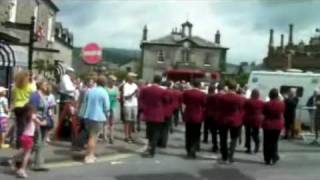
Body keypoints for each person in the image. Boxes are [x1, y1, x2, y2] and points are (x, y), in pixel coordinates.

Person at [9, 104, 47, 178]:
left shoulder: (26, 116)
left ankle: (12, 159)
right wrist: (45, 122)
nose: (34, 110)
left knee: (23, 150)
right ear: (30, 111)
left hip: (24, 136)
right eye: (33, 109)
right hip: (28, 137)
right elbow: (41, 123)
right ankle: (22, 170)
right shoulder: (33, 116)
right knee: (27, 154)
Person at [81, 75, 110, 163]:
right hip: (98, 117)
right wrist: (107, 116)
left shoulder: (90, 91)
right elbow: (107, 107)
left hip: (87, 116)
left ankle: (90, 154)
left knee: (90, 136)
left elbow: (84, 102)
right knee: (93, 137)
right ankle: (89, 156)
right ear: (104, 83)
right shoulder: (104, 92)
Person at [139, 75, 168, 157]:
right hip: (158, 114)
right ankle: (152, 150)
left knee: (149, 132)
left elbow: (141, 99)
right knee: (156, 133)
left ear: (153, 80)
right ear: (160, 81)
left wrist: (143, 108)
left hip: (148, 113)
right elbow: (166, 101)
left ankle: (149, 147)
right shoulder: (162, 91)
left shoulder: (145, 89)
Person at [219, 81, 244, 163]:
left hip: (224, 119)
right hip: (234, 120)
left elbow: (219, 108)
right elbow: (241, 109)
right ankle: (230, 156)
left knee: (223, 139)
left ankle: (224, 156)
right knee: (233, 139)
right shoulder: (239, 98)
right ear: (235, 88)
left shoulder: (222, 97)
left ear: (227, 87)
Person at [29, 80, 51, 171]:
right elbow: (32, 111)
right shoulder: (35, 96)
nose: (47, 85)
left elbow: (45, 110)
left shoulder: (44, 96)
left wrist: (46, 120)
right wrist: (38, 122)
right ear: (39, 85)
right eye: (45, 84)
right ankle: (16, 159)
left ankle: (38, 164)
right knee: (37, 144)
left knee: (41, 143)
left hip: (43, 122)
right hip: (36, 122)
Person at [182, 80, 206, 158]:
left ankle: (188, 149)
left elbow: (184, 102)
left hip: (188, 114)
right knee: (196, 134)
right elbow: (204, 104)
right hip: (198, 115)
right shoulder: (202, 94)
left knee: (188, 133)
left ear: (192, 85)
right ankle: (193, 150)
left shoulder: (186, 93)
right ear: (199, 85)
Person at [11, 71, 35, 149]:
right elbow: (33, 94)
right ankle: (26, 143)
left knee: (19, 126)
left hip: (17, 107)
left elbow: (13, 98)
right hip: (26, 106)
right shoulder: (29, 86)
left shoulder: (14, 87)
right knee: (28, 125)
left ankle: (18, 143)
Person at [262, 88, 285, 165]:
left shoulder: (266, 104)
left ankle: (267, 158)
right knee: (274, 142)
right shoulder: (282, 104)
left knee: (266, 142)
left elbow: (264, 113)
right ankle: (274, 157)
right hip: (277, 124)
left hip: (268, 124)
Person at [243, 89, 264, 154]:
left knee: (248, 134)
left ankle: (248, 147)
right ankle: (257, 145)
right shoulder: (261, 102)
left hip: (248, 119)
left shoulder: (248, 101)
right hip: (257, 119)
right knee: (255, 134)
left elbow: (244, 108)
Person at [122, 73, 138, 142]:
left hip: (134, 104)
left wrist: (137, 93)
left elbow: (137, 95)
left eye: (135, 77)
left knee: (132, 121)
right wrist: (134, 93)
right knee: (127, 121)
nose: (134, 79)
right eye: (133, 77)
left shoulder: (135, 85)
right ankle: (126, 136)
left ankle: (130, 135)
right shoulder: (126, 85)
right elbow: (126, 97)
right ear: (129, 78)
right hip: (128, 105)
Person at [104, 75, 119, 144]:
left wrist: (117, 98)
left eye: (114, 81)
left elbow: (118, 97)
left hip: (113, 106)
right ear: (109, 80)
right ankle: (105, 136)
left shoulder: (116, 88)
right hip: (106, 107)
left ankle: (111, 136)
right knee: (106, 122)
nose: (113, 82)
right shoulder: (105, 88)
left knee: (112, 122)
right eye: (112, 80)